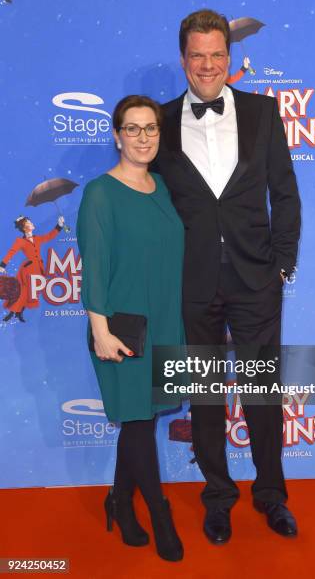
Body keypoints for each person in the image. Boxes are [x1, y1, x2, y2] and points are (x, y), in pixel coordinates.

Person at [154, 9, 301, 544]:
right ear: (184, 60)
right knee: (206, 395)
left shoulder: (263, 114)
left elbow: (284, 193)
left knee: (263, 393)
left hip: (255, 279)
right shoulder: (161, 122)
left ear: (230, 58)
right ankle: (218, 497)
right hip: (191, 285)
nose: (208, 65)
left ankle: (272, 496)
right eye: (198, 55)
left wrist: (281, 264)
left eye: (218, 54)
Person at [76, 95, 185, 562]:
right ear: (117, 135)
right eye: (133, 128)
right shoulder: (100, 192)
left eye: (151, 129)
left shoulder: (162, 186)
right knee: (138, 422)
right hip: (122, 327)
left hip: (164, 320)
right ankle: (159, 514)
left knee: (143, 418)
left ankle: (119, 500)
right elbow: (94, 268)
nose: (143, 138)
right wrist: (99, 329)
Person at [0, 215, 64, 322]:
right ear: (25, 227)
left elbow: (49, 236)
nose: (32, 224)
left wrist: (59, 225)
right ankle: (13, 313)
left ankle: (18, 312)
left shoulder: (37, 238)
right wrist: (2, 265)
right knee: (24, 292)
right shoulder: (20, 241)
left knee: (30, 294)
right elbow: (12, 252)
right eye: (29, 223)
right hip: (27, 271)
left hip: (38, 270)